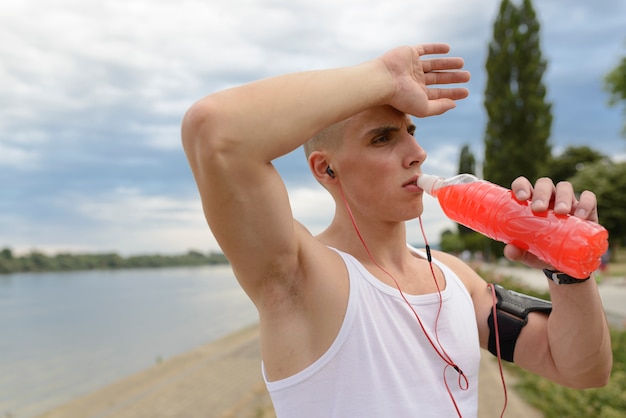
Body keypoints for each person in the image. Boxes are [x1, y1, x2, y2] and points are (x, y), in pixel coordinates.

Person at [181, 44, 612, 417]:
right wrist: (384, 77)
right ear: (326, 168)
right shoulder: (301, 276)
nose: (417, 154)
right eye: (382, 139)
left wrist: (567, 269)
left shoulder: (454, 277)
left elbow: (580, 368)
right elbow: (214, 131)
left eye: (411, 132)